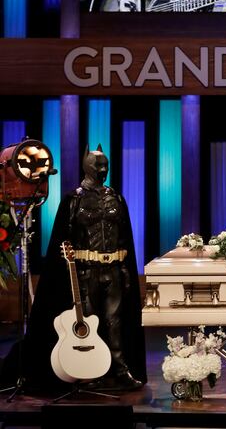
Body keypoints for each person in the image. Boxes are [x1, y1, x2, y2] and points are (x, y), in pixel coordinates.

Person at [4, 146, 146, 391]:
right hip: (85, 271)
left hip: (112, 269)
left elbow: (124, 237)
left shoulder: (116, 197)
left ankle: (120, 369)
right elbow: (63, 238)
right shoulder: (74, 199)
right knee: (90, 322)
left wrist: (125, 272)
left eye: (105, 166)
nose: (103, 170)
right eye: (97, 166)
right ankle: (91, 369)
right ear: (86, 166)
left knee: (114, 322)